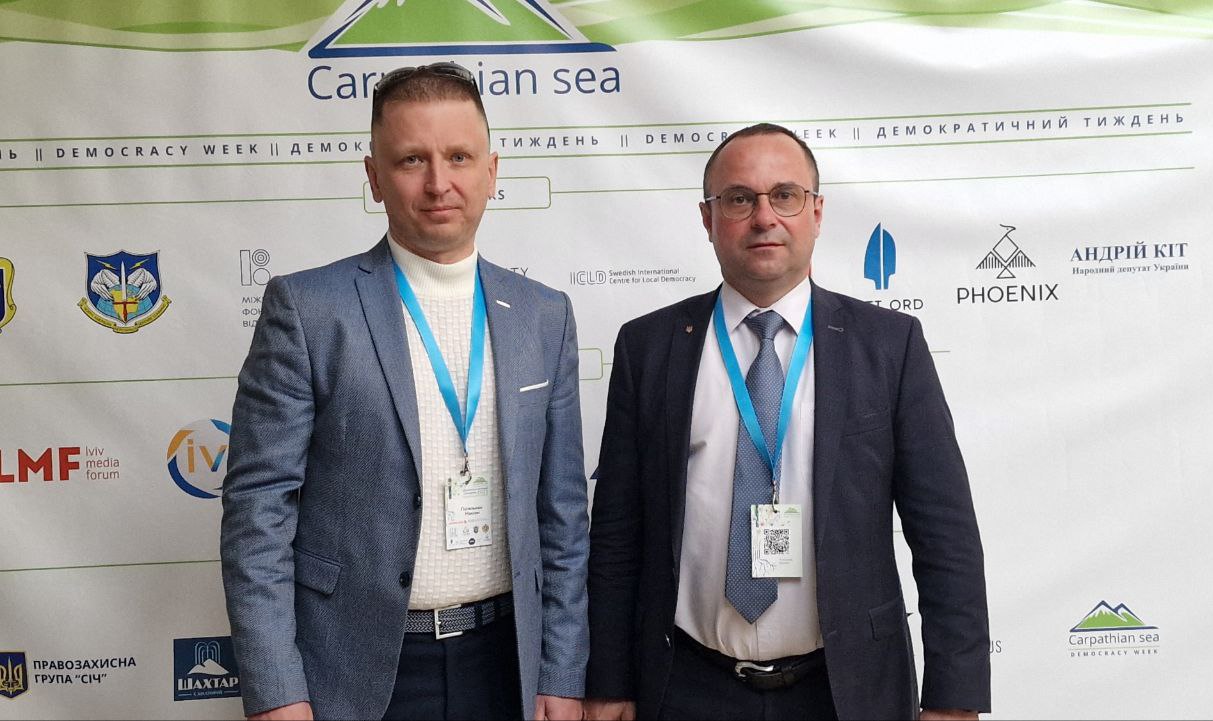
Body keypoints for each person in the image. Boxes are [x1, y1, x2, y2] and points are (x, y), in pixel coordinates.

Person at [220, 62, 589, 721]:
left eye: (459, 157)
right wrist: (277, 691)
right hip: (355, 673)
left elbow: (562, 515)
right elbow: (258, 514)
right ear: (374, 176)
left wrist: (562, 670)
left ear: (492, 171)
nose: (439, 182)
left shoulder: (544, 315)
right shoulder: (308, 310)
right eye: (412, 159)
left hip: (507, 664)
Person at [584, 124, 990, 721]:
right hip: (687, 687)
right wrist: (608, 681)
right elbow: (618, 533)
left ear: (817, 212)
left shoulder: (888, 346)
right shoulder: (649, 348)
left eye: (785, 196)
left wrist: (954, 698)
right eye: (739, 199)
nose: (763, 217)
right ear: (708, 218)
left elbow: (944, 533)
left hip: (846, 691)